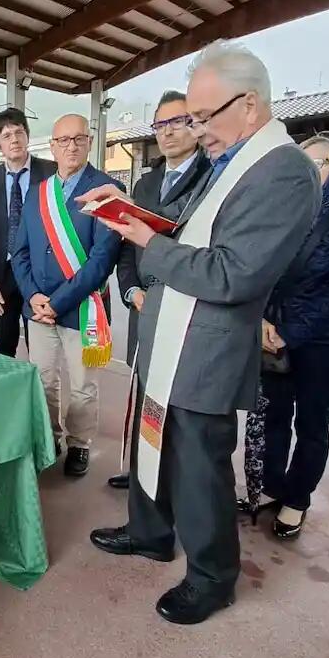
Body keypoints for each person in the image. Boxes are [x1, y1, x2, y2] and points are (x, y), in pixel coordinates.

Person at [87, 39, 320, 625]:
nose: (198, 130)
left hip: (205, 350)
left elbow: (234, 272)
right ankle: (150, 532)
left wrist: (147, 244)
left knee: (197, 466)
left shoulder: (284, 171)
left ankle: (213, 577)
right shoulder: (236, 163)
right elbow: (193, 236)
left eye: (203, 117)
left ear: (250, 105)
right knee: (151, 442)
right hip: (171, 339)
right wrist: (131, 211)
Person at [243, 135, 329, 539]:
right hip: (272, 338)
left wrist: (288, 332)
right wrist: (263, 320)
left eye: (318, 162)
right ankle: (270, 487)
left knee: (311, 424)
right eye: (301, 161)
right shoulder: (278, 216)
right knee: (273, 419)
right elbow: (257, 273)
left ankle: (297, 499)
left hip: (323, 345)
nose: (308, 169)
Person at [109, 90, 211, 490]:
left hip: (185, 307)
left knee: (175, 401)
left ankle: (166, 484)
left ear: (196, 125)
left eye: (177, 122)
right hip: (143, 305)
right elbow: (126, 248)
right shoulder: (147, 181)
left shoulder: (210, 178)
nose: (167, 132)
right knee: (142, 390)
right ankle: (141, 472)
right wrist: (131, 291)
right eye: (160, 125)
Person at [11, 114, 122, 478]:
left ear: (88, 142)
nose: (71, 146)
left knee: (82, 385)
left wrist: (56, 302)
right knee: (43, 380)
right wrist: (33, 297)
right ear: (52, 146)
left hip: (81, 309)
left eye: (78, 139)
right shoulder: (39, 193)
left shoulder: (106, 189)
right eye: (63, 140)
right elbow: (21, 250)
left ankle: (79, 443)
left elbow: (102, 261)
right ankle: (51, 438)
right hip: (39, 308)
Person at [0, 107, 57, 356]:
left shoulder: (51, 172)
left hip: (40, 273)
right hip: (2, 277)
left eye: (19, 132)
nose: (14, 140)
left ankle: (40, 394)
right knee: (4, 348)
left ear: (27, 136)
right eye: (7, 135)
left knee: (42, 350)